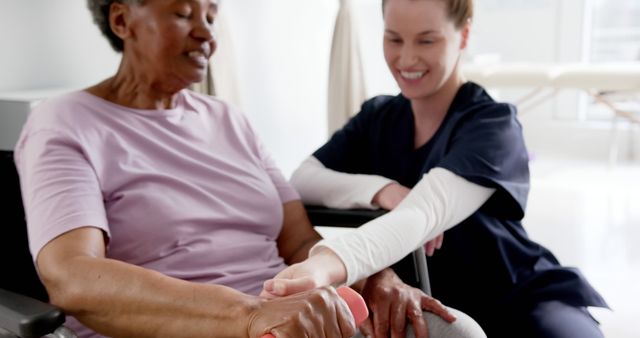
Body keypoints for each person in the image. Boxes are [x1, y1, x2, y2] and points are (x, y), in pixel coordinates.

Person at [14, 0, 483, 337]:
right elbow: (71, 277)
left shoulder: (228, 119)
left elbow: (299, 242)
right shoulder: (66, 121)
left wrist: (375, 275)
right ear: (122, 19)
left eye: (212, 16)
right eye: (183, 14)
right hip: (190, 325)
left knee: (455, 331)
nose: (207, 33)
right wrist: (247, 315)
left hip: (291, 312)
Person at [264, 0, 610, 337]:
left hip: (519, 298)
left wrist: (323, 265)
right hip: (436, 306)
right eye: (394, 39)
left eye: (427, 40)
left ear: (463, 35)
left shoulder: (492, 125)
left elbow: (423, 214)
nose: (407, 58)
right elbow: (304, 179)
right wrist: (382, 190)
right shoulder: (377, 117)